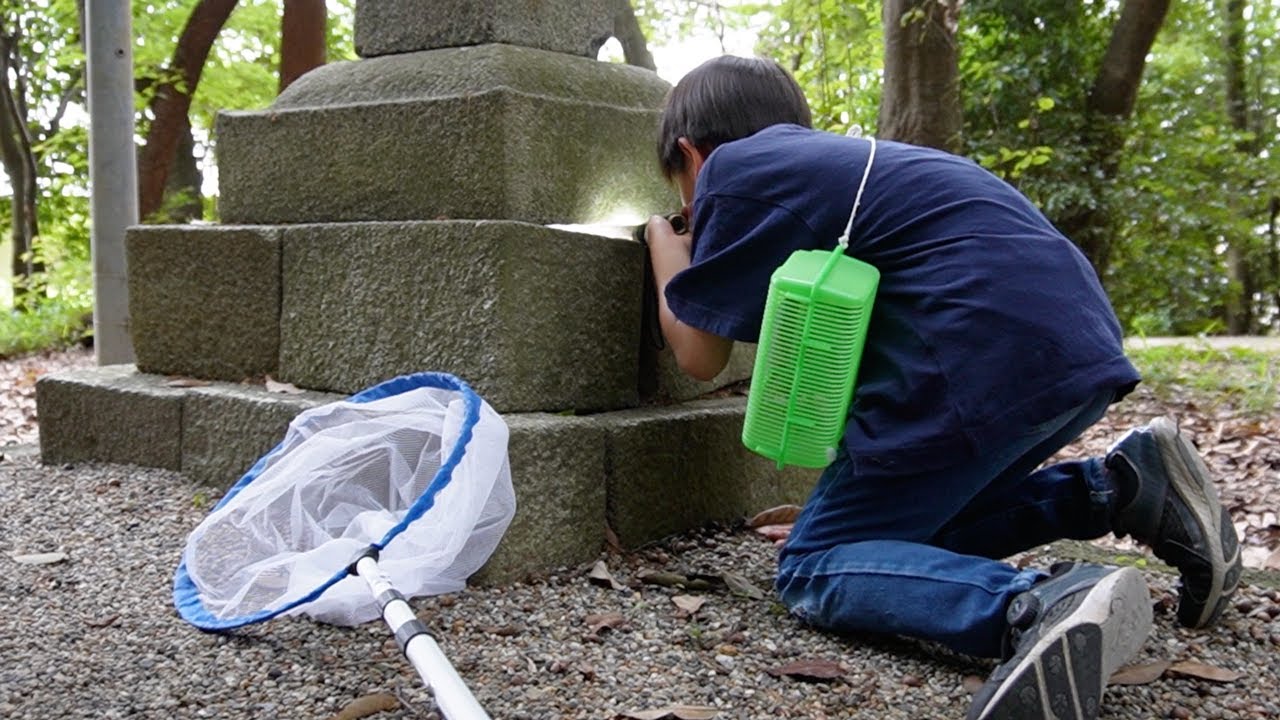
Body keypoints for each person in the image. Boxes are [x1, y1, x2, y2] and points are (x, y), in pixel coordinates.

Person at [643, 55, 1243, 720]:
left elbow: (699, 354)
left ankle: (1036, 606)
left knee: (814, 565)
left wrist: (664, 243)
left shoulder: (733, 170)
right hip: (1068, 339)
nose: (693, 213)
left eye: (684, 195)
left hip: (978, 349)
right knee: (898, 549)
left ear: (691, 154)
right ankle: (1126, 486)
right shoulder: (852, 166)